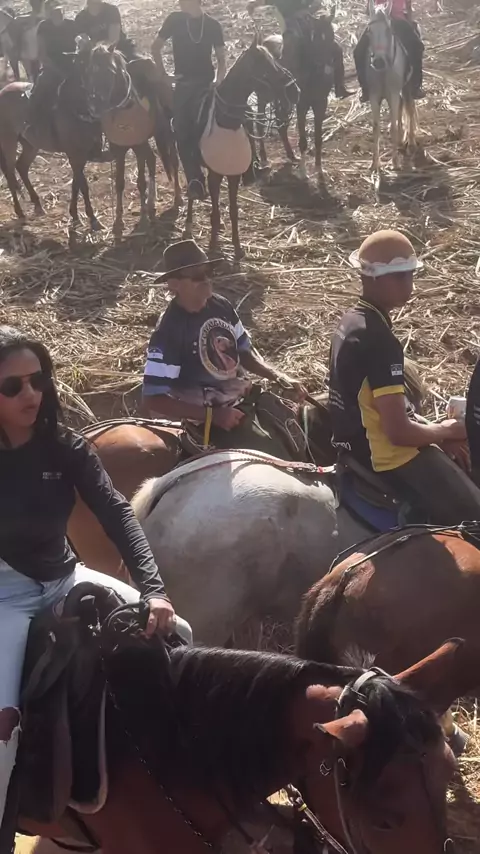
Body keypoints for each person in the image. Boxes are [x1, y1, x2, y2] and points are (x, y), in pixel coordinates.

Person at [0, 325, 192, 830]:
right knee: (4, 725)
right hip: (5, 597)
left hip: (65, 578)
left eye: (37, 380)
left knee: (181, 634)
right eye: (12, 387)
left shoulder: (64, 447)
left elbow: (117, 512)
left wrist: (154, 590)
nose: (30, 394)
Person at [328, 229, 480, 525]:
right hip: (386, 457)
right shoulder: (379, 340)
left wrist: (433, 431)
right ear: (371, 277)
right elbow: (399, 433)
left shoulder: (351, 322)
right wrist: (447, 430)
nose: (409, 285)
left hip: (351, 448)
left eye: (411, 275)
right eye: (399, 277)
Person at [142, 239, 307, 457]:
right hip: (210, 422)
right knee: (275, 459)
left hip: (245, 401)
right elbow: (154, 398)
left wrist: (278, 376)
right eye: (197, 276)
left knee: (302, 433)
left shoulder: (222, 305)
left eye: (208, 272)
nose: (206, 280)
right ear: (174, 284)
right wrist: (213, 415)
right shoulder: (169, 331)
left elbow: (244, 353)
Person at [152, 0, 226, 201]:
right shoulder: (174, 20)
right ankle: (194, 179)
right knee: (181, 130)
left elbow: (221, 58)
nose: (180, 3)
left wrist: (218, 79)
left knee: (233, 117)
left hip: (206, 86)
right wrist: (163, 75)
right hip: (183, 87)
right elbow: (155, 47)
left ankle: (248, 165)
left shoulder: (212, 25)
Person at [247, 0, 352, 99]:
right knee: (291, 46)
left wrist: (317, 10)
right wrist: (254, 4)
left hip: (308, 20)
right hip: (290, 25)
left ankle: (339, 87)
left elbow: (314, 3)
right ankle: (284, 82)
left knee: (336, 48)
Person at [23, 0, 77, 142]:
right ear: (48, 13)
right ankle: (30, 122)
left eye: (59, 11)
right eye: (53, 12)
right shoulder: (44, 27)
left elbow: (80, 44)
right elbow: (42, 55)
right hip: (52, 67)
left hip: (73, 65)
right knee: (40, 88)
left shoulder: (72, 25)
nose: (57, 14)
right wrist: (58, 71)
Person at [354, 0, 425, 102]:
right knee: (358, 51)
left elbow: (408, 6)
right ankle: (365, 89)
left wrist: (409, 22)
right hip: (378, 22)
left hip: (397, 20)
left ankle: (415, 86)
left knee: (416, 46)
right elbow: (368, 10)